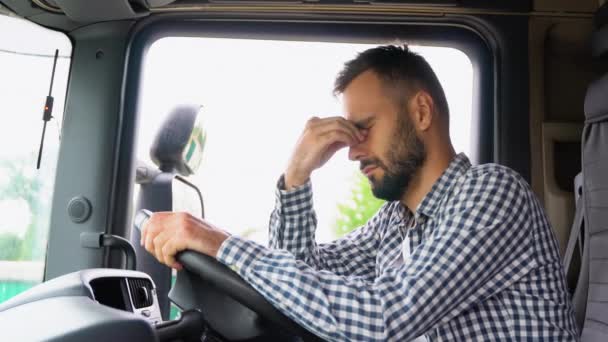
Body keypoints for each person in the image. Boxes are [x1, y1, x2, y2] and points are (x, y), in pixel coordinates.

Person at [141, 45, 578, 341]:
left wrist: (217, 242)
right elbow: (302, 275)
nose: (352, 152)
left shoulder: (492, 193)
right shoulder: (397, 221)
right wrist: (295, 178)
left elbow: (383, 319)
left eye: (363, 129)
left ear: (421, 112)